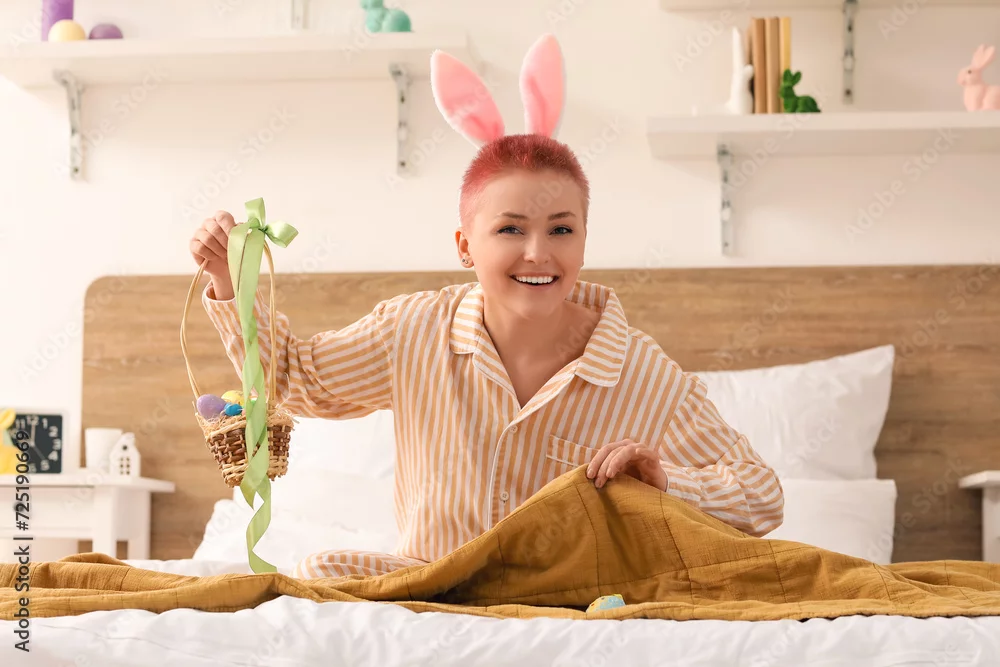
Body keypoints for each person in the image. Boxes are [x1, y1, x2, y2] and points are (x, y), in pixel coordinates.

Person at [189, 34, 783, 579]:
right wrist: (228, 278)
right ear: (465, 247)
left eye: (561, 230)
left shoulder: (639, 371)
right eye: (510, 229)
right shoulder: (412, 331)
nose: (538, 253)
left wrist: (666, 479)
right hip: (428, 589)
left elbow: (761, 495)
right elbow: (294, 378)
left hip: (567, 604)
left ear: (583, 242)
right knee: (320, 572)